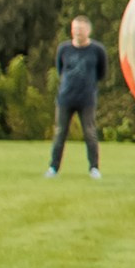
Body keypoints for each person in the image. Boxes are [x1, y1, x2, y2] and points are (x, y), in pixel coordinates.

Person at [47, 15, 107, 179]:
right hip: (66, 98)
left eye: (81, 30)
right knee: (60, 133)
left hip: (87, 99)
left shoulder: (97, 50)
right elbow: (60, 70)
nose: (77, 33)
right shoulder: (64, 49)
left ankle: (94, 168)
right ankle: (53, 167)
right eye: (75, 30)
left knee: (90, 133)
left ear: (88, 30)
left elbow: (102, 73)